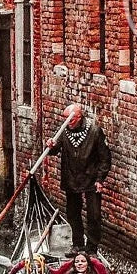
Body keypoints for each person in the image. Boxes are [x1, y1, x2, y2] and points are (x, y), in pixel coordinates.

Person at [50, 102, 111, 255]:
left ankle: (91, 248)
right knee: (72, 213)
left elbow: (105, 158)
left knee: (94, 215)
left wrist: (100, 179)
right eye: (64, 120)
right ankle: (77, 245)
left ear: (78, 117)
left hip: (91, 178)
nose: (66, 123)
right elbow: (55, 150)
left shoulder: (95, 132)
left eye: (69, 120)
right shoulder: (64, 131)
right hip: (71, 177)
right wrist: (51, 146)